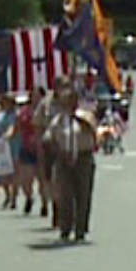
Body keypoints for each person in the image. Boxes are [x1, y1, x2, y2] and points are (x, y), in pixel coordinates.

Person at [44, 83, 99, 244]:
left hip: (83, 158)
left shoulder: (86, 115)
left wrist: (80, 118)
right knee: (65, 195)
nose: (69, 103)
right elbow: (48, 138)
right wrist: (57, 151)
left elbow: (94, 131)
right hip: (63, 159)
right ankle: (65, 227)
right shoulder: (59, 120)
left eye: (72, 100)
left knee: (83, 195)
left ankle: (81, 229)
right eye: (66, 100)